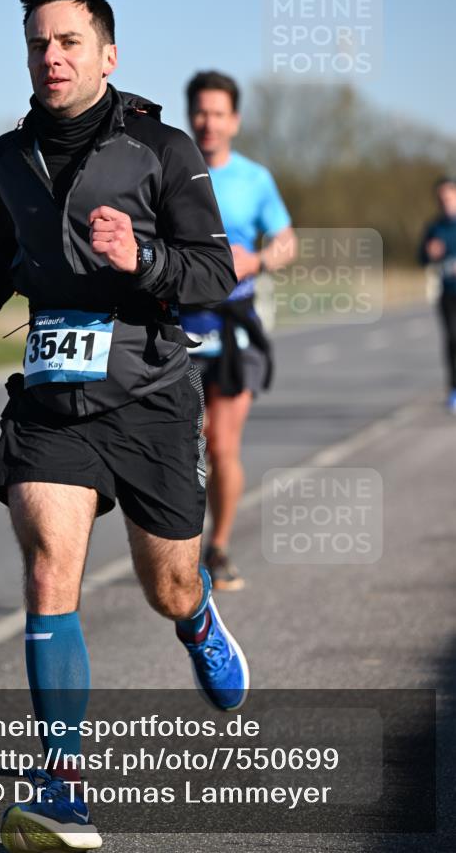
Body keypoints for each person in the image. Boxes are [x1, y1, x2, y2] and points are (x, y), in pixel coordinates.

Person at [0, 0, 249, 851]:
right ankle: (64, 786)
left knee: (168, 585)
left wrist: (143, 255)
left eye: (71, 41)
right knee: (50, 569)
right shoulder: (9, 156)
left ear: (107, 55)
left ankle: (195, 621)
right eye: (40, 43)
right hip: (52, 398)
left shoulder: (162, 148)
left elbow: (213, 271)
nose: (53, 56)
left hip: (153, 396)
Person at [180, 71, 297, 591]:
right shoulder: (170, 171)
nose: (208, 122)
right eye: (200, 111)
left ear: (235, 120)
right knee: (183, 446)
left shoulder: (255, 179)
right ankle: (178, 548)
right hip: (179, 330)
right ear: (190, 116)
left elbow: (286, 241)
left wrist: (259, 259)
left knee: (221, 445)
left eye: (218, 112)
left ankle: (219, 546)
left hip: (234, 330)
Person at [418, 176, 456, 413]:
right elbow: (420, 258)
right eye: (440, 198)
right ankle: (453, 388)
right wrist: (429, 253)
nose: (444, 202)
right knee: (452, 339)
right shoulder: (434, 227)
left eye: (448, 196)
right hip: (448, 293)